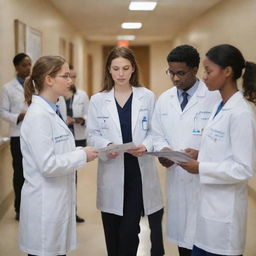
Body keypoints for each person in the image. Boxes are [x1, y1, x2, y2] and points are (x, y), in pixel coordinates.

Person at [177, 44, 256, 256]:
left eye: (208, 71)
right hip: (207, 214)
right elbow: (221, 150)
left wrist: (200, 167)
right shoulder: (219, 106)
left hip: (224, 219)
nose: (204, 76)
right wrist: (198, 154)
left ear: (227, 71)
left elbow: (243, 169)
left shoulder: (241, 114)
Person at [87, 46, 164, 256]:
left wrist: (146, 145)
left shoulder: (146, 96)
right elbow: (92, 134)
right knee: (112, 234)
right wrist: (107, 145)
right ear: (109, 70)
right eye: (116, 68)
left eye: (125, 68)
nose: (120, 74)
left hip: (138, 173)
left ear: (133, 70)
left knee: (130, 232)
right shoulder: (97, 100)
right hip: (112, 169)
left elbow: (155, 132)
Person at [19, 55, 98, 256]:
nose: (71, 81)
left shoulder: (52, 111)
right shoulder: (38, 116)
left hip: (56, 204)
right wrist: (82, 156)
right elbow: (48, 165)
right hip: (45, 207)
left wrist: (80, 151)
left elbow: (58, 152)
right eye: (65, 76)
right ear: (49, 79)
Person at [151, 45, 220, 256]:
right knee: (183, 242)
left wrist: (200, 155)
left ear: (195, 69)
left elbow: (220, 141)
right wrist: (163, 150)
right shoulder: (165, 99)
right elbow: (156, 133)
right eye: (171, 72)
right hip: (176, 179)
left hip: (203, 180)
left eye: (181, 73)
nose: (175, 78)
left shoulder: (213, 98)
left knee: (202, 241)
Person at [0, 53, 31, 221]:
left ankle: (32, 207)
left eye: (29, 64)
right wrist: (18, 117)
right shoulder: (7, 88)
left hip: (33, 135)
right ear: (17, 67)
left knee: (33, 172)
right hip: (17, 135)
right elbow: (2, 111)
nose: (28, 68)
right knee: (20, 172)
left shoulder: (35, 84)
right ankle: (19, 208)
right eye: (25, 65)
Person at [58, 65, 89, 223]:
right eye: (68, 76)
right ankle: (65, 212)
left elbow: (89, 115)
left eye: (74, 76)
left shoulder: (81, 95)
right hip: (62, 140)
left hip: (78, 137)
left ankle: (72, 211)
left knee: (73, 176)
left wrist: (79, 119)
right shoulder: (58, 96)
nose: (72, 79)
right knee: (64, 174)